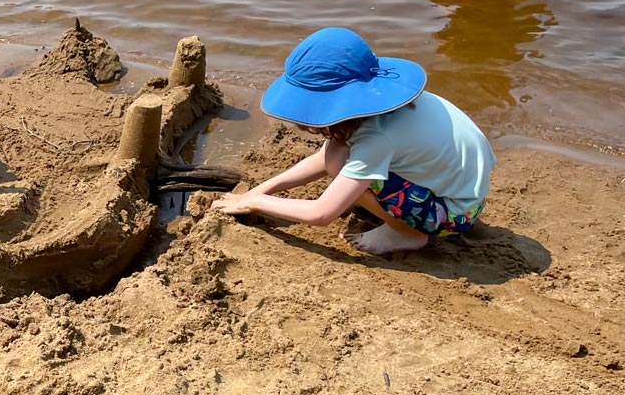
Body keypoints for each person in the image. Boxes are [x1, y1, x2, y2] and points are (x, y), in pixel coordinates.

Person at [213, 27, 496, 255]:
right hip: (467, 194)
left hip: (452, 215)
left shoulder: (377, 138)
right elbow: (321, 159)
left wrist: (256, 203)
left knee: (339, 160)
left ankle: (406, 234)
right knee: (336, 153)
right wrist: (262, 189)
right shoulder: (394, 106)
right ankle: (391, 212)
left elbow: (321, 214)